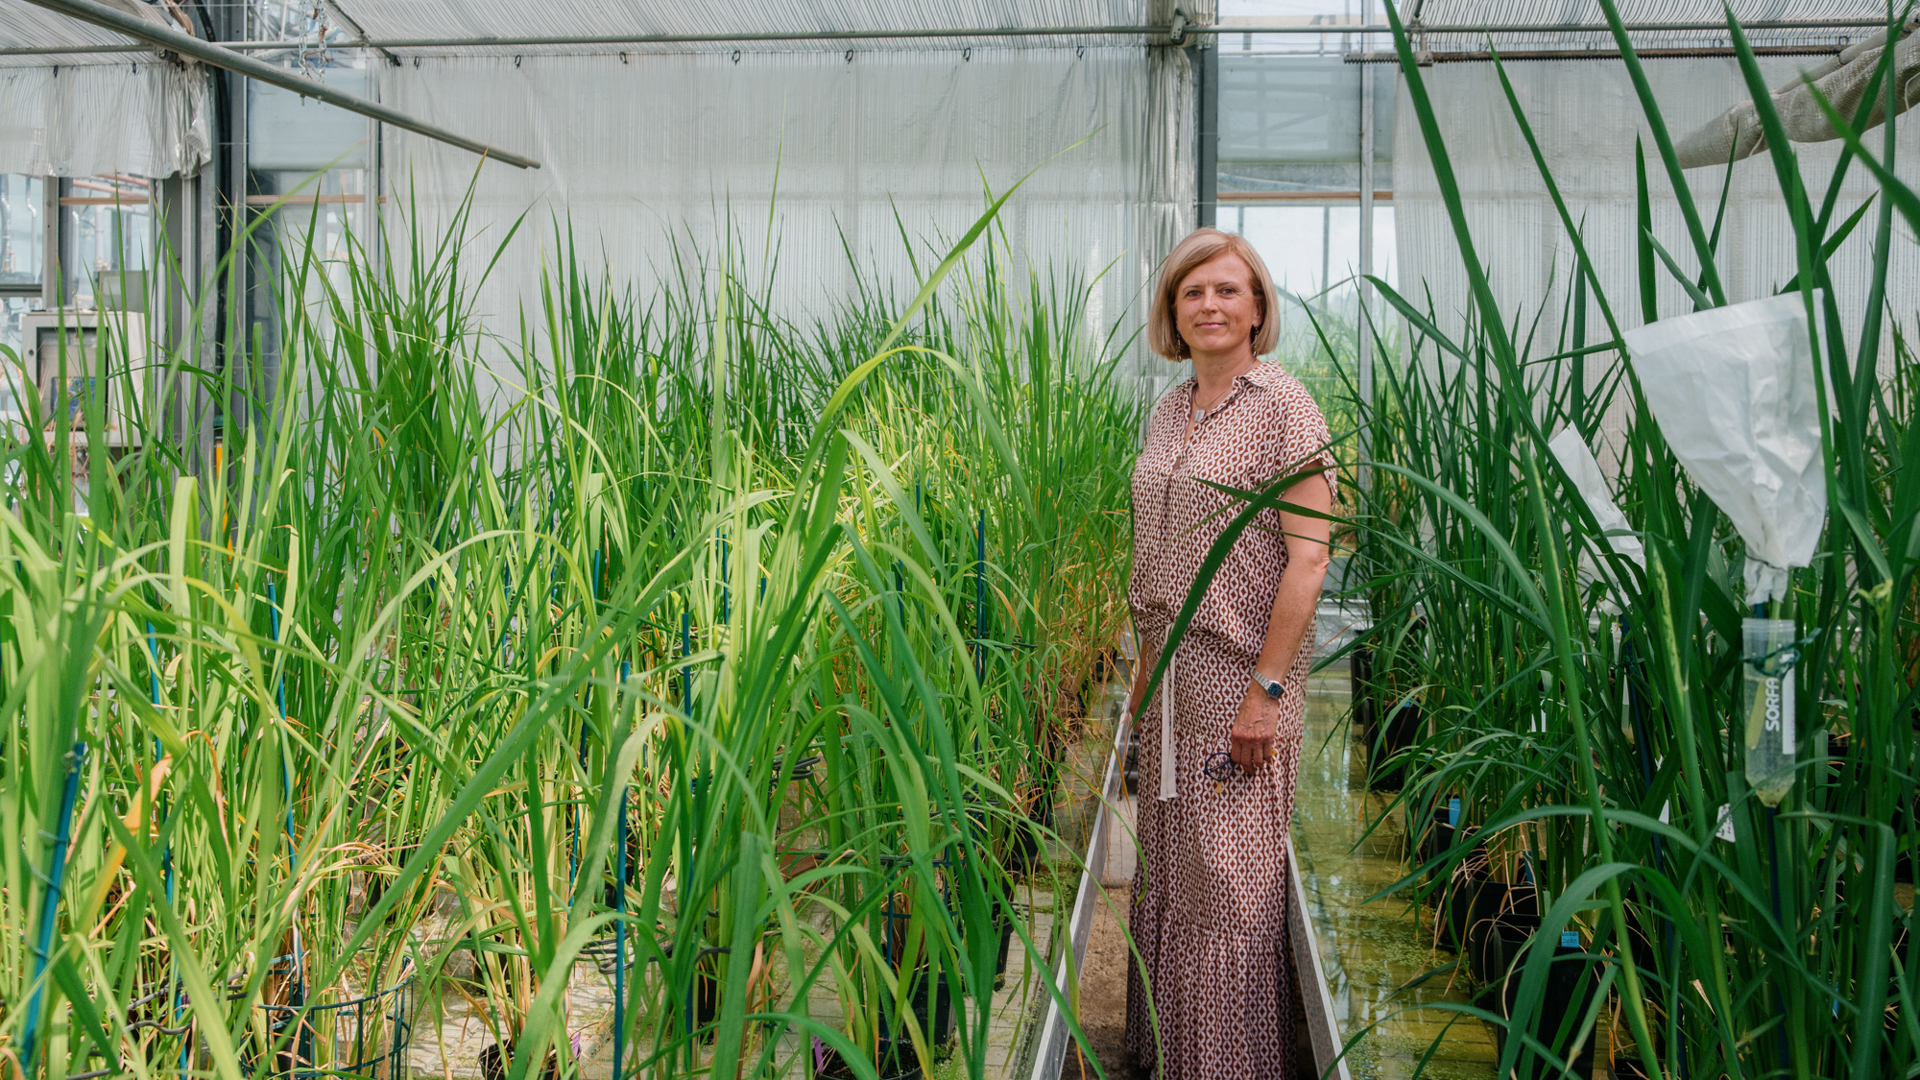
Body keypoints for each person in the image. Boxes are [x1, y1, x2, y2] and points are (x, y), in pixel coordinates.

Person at [1123, 227, 1336, 1080]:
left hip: (1237, 674)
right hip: (1170, 672)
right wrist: (1140, 688)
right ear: (1173, 312)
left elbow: (1311, 557)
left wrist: (1268, 692)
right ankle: (1175, 1055)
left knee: (1230, 888)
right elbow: (1155, 550)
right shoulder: (1170, 407)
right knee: (1172, 870)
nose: (1209, 305)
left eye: (1227, 291)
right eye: (1191, 292)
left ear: (1257, 309)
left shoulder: (1284, 407)